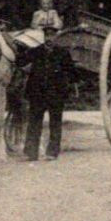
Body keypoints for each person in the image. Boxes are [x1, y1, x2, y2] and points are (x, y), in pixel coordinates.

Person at [18, 32, 72, 161]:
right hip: (37, 93)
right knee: (34, 122)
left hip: (56, 93)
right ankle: (31, 152)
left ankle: (52, 152)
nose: (49, 38)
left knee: (55, 122)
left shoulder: (63, 53)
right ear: (43, 37)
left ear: (56, 37)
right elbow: (19, 61)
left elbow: (71, 72)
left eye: (51, 36)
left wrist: (63, 84)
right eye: (46, 36)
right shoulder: (36, 51)